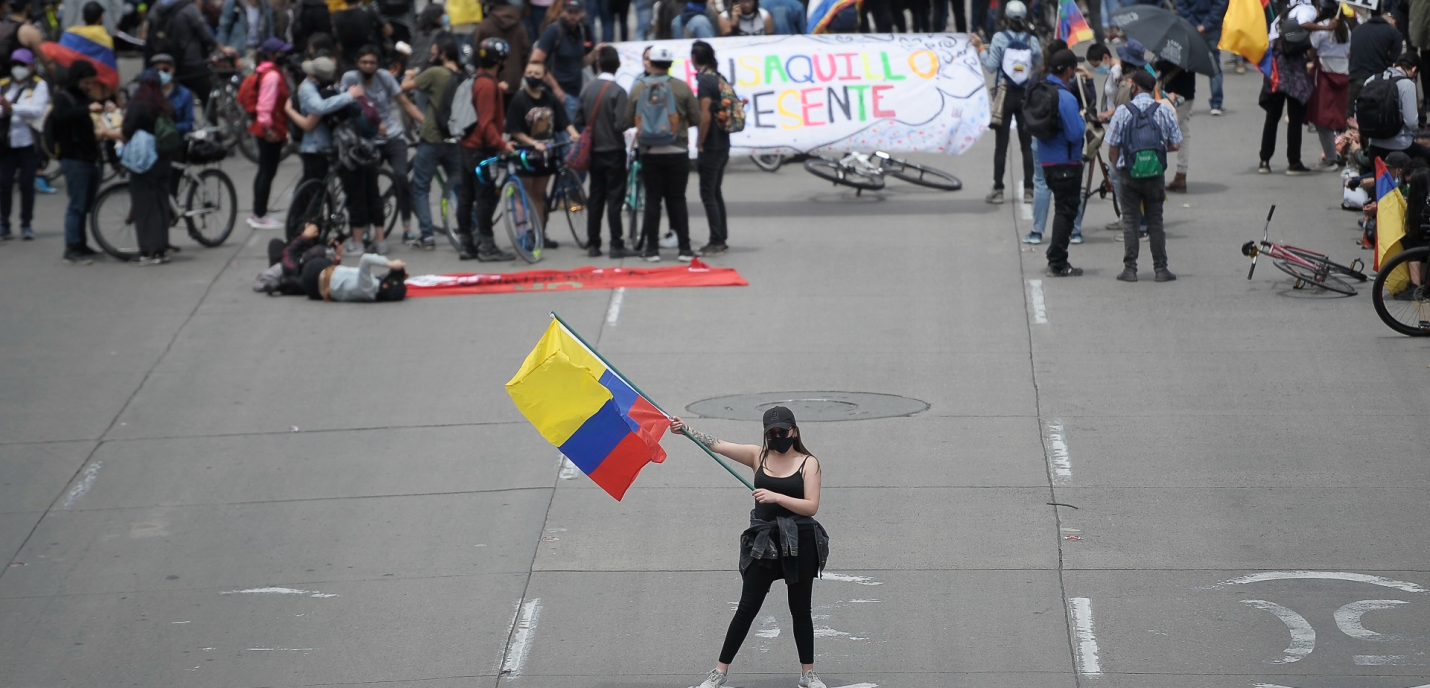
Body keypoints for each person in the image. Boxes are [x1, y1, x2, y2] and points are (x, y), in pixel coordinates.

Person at [670, 406, 830, 688]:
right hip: (764, 543)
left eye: (782, 431)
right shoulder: (759, 455)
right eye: (772, 433)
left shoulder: (809, 463)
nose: (777, 437)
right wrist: (687, 430)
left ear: (794, 431)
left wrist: (775, 497)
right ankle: (719, 672)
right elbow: (716, 444)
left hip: (799, 542)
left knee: (800, 609)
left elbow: (811, 506)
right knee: (747, 607)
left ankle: (808, 674)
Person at [623, 45, 699, 263]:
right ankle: (684, 249)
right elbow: (696, 118)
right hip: (677, 150)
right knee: (678, 199)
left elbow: (628, 121)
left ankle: (652, 249)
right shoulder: (682, 88)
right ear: (669, 64)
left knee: (653, 200)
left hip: (649, 151)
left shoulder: (638, 88)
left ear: (650, 63)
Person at [342, 44, 421, 245]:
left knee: (401, 176)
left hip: (393, 135)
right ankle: (368, 228)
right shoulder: (350, 79)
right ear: (357, 64)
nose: (368, 66)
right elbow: (342, 105)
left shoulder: (384, 77)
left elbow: (405, 103)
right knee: (369, 185)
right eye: (364, 62)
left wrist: (426, 124)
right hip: (367, 140)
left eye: (372, 63)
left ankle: (406, 226)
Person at [1108, 70, 1182, 282]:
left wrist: (1119, 167)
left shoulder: (1122, 111)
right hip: (1155, 175)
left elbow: (1113, 147)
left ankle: (1130, 269)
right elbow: (1176, 144)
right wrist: (1154, 153)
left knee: (1131, 221)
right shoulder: (1164, 110)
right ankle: (1161, 269)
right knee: (1155, 221)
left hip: (1128, 173)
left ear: (1134, 87)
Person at [400, 36, 466, 252]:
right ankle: (468, 229)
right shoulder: (464, 75)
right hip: (455, 138)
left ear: (443, 54)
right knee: (459, 185)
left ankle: (427, 236)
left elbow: (403, 87)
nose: (431, 54)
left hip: (431, 138)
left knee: (420, 187)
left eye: (434, 51)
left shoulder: (435, 73)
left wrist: (409, 74)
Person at [971, 0, 1040, 205]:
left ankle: (998, 189)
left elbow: (991, 66)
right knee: (1027, 145)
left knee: (1001, 145)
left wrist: (980, 48)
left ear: (1006, 18)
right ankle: (1029, 189)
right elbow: (1037, 64)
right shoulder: (1032, 40)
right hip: (1025, 95)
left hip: (1005, 94)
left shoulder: (1000, 38)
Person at [284, 56, 361, 237]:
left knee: (314, 190)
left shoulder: (320, 87)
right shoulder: (308, 89)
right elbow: (318, 109)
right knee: (314, 194)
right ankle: (311, 232)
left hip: (323, 144)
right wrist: (348, 96)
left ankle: (309, 229)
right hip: (314, 147)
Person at [1027, 39, 1093, 246]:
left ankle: (1037, 231)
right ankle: (1075, 231)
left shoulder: (1036, 79)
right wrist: (1088, 81)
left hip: (1040, 141)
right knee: (1071, 194)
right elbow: (1087, 104)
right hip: (1064, 150)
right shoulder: (1069, 83)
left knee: (1041, 184)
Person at [458, 37, 519, 260]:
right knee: (484, 197)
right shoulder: (487, 85)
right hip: (480, 151)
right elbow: (486, 124)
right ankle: (487, 247)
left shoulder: (477, 80)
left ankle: (466, 245)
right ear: (499, 61)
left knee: (466, 196)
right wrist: (502, 145)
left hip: (466, 147)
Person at [506, 61, 579, 230]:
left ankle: (539, 232)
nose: (532, 76)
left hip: (546, 155)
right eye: (529, 72)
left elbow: (563, 120)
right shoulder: (519, 99)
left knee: (538, 195)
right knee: (525, 193)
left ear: (544, 77)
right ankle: (524, 233)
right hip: (525, 155)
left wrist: (574, 133)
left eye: (537, 73)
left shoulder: (549, 98)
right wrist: (533, 143)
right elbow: (514, 130)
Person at [1035, 49, 1087, 278]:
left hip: (1047, 160)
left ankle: (1056, 258)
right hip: (1066, 163)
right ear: (1068, 70)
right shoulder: (1065, 97)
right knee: (1066, 212)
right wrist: (1083, 121)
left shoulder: (1041, 89)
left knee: (1062, 210)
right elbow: (1075, 134)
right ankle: (1057, 261)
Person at [574, 44, 629, 257]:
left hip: (594, 152)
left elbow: (578, 119)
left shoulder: (587, 88)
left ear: (598, 64)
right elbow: (620, 124)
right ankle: (616, 243)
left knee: (595, 198)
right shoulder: (618, 91)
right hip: (614, 150)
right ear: (618, 66)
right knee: (615, 200)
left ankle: (594, 243)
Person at [52, 60, 106, 264]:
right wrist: (87, 109)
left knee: (85, 204)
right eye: (86, 83)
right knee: (76, 205)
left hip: (90, 158)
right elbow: (61, 116)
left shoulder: (85, 97)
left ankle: (82, 244)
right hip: (74, 159)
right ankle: (72, 247)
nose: (89, 86)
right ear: (76, 80)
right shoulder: (63, 97)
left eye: (91, 83)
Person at [121, 69, 176, 265]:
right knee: (161, 204)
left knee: (145, 206)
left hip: (145, 160)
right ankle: (161, 248)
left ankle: (148, 251)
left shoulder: (139, 105)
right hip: (163, 159)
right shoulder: (165, 105)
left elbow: (127, 129)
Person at [0, 49, 47, 241]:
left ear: (32, 66)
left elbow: (37, 110)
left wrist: (12, 109)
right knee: (4, 184)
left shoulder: (39, 85)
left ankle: (26, 224)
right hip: (6, 143)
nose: (18, 68)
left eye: (22, 64)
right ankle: (4, 223)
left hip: (28, 143)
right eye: (15, 64)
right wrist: (10, 111)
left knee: (27, 184)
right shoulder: (3, 85)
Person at [145, 0, 227, 109]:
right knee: (207, 97)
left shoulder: (157, 7)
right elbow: (204, 33)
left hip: (169, 63)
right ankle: (212, 124)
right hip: (192, 63)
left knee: (173, 97)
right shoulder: (189, 7)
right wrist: (222, 48)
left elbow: (150, 30)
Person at [529, 0, 597, 123]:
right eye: (570, 12)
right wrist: (556, 88)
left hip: (578, 94)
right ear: (562, 12)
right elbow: (535, 62)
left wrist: (594, 54)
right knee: (566, 140)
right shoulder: (553, 31)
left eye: (576, 12)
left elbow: (579, 63)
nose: (573, 16)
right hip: (560, 96)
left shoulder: (580, 30)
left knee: (578, 139)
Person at [692, 40, 730, 255]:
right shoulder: (718, 77)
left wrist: (700, 143)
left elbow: (705, 116)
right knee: (715, 192)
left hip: (712, 145)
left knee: (708, 193)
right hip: (723, 143)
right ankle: (720, 237)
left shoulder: (705, 81)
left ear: (695, 59)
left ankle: (716, 239)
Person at [248, 37, 291, 229]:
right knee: (267, 171)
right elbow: (265, 106)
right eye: (282, 52)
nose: (286, 56)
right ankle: (259, 214)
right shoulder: (272, 76)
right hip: (269, 130)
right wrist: (268, 129)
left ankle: (258, 211)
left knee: (265, 171)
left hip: (266, 129)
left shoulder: (264, 71)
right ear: (272, 55)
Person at [1363, 54, 1429, 163]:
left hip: (1374, 145)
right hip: (1401, 146)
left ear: (1395, 65)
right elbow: (1412, 122)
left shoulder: (1371, 80)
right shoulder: (1407, 85)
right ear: (1414, 69)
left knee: (1380, 179)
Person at [1308, 0, 1350, 170]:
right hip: (1344, 73)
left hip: (1324, 73)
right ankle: (1343, 152)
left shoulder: (1321, 28)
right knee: (1341, 116)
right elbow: (1349, 50)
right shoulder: (1347, 29)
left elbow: (1311, 50)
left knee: (1322, 118)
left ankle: (1331, 157)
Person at [300, 242, 409, 301]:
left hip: (315, 275)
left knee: (319, 249)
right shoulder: (373, 292)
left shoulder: (368, 287)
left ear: (385, 285)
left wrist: (390, 263)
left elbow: (365, 259)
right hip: (320, 285)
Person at [1174, 0, 1224, 116]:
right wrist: (1206, 24)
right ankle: (1216, 103)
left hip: (1189, 27)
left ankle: (1187, 102)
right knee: (1214, 65)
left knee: (1188, 66)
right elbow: (1219, 4)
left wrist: (1193, 24)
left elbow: (1181, 5)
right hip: (1212, 27)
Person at [1350, 5, 1400, 120]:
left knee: (1351, 121)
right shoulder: (1394, 34)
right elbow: (1394, 62)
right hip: (1378, 81)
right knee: (1376, 118)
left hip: (1355, 78)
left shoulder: (1357, 30)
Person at [474, 0, 533, 95]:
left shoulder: (484, 26)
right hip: (514, 82)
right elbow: (526, 52)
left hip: (490, 83)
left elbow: (477, 54)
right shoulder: (519, 26)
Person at [1157, 59, 1194, 191]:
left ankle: (1153, 173)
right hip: (1186, 93)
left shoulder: (1177, 48)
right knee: (1183, 133)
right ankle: (1181, 174)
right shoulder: (1190, 46)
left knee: (1160, 133)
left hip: (1176, 96)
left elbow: (1171, 63)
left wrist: (1157, 64)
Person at [332, 0, 390, 71]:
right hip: (371, 59)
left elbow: (337, 44)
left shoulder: (336, 16)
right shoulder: (368, 11)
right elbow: (388, 31)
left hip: (349, 62)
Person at [149, 54, 196, 134]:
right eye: (157, 70)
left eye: (165, 70)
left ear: (173, 70)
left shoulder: (184, 94)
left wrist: (168, 128)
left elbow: (189, 124)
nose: (161, 73)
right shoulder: (146, 92)